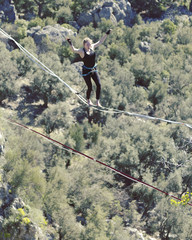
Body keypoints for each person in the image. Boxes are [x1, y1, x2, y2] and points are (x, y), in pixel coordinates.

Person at [67, 29, 111, 107]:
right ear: (84, 45)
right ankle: (88, 100)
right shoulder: (82, 51)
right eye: (87, 44)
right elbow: (73, 50)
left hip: (93, 69)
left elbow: (100, 41)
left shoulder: (92, 47)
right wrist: (70, 43)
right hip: (86, 71)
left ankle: (97, 102)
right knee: (90, 87)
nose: (89, 45)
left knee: (99, 85)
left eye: (89, 44)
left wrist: (106, 34)